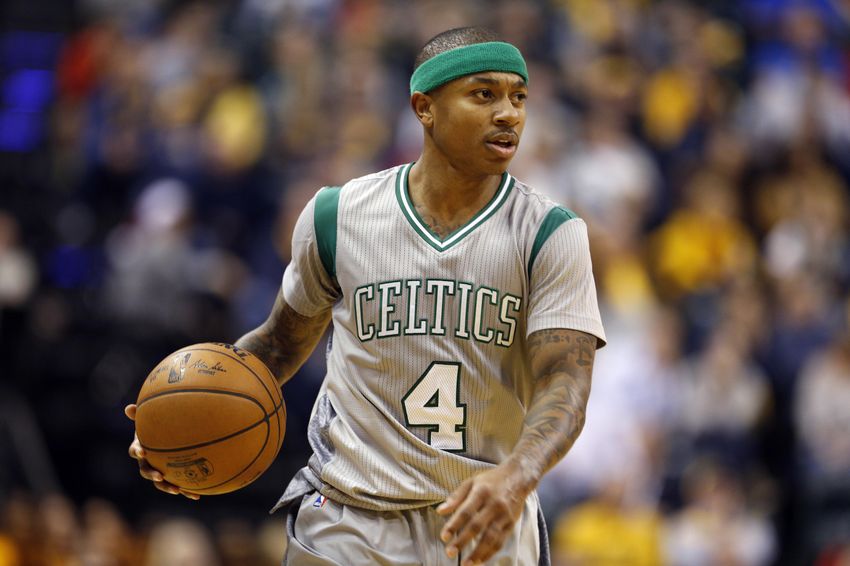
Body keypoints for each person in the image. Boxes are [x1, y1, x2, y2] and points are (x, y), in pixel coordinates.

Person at [125, 26, 606, 566]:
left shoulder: (550, 232)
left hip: (484, 519)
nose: (509, 114)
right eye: (484, 94)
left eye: (519, 97)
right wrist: (183, 426)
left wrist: (516, 477)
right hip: (348, 519)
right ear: (424, 108)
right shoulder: (338, 216)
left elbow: (566, 384)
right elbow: (277, 349)